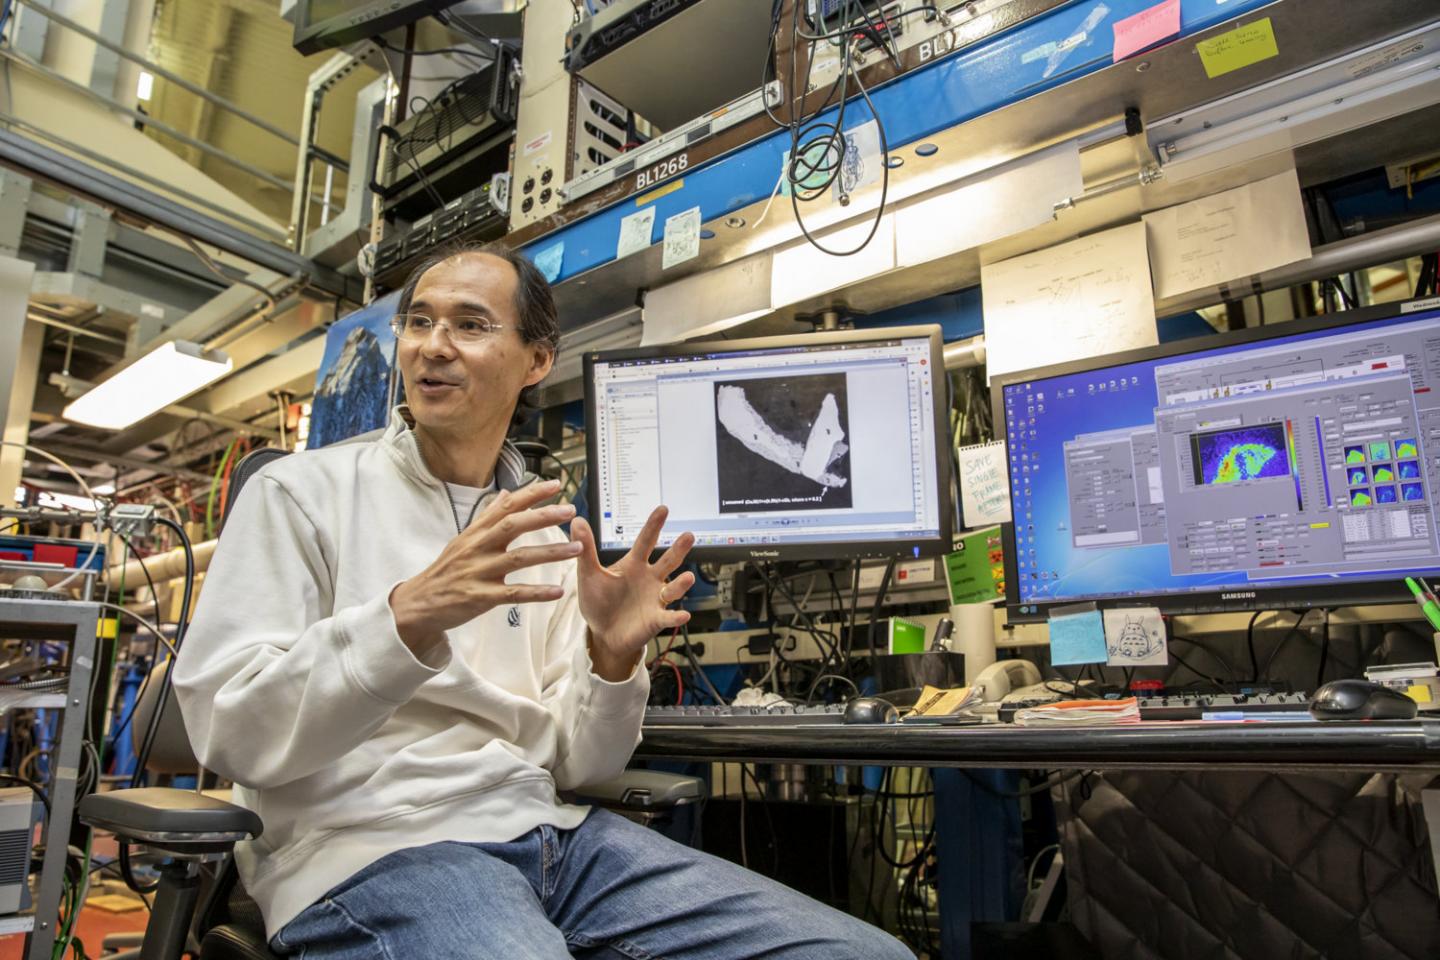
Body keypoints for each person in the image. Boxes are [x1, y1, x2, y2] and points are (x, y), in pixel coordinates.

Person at [174, 243, 913, 959]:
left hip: (555, 838)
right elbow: (231, 731)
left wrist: (611, 659)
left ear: (536, 361)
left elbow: (580, 767)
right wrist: (406, 616)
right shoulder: (300, 494)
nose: (433, 345)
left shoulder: (548, 536)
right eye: (419, 321)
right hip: (368, 844)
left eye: (470, 324)